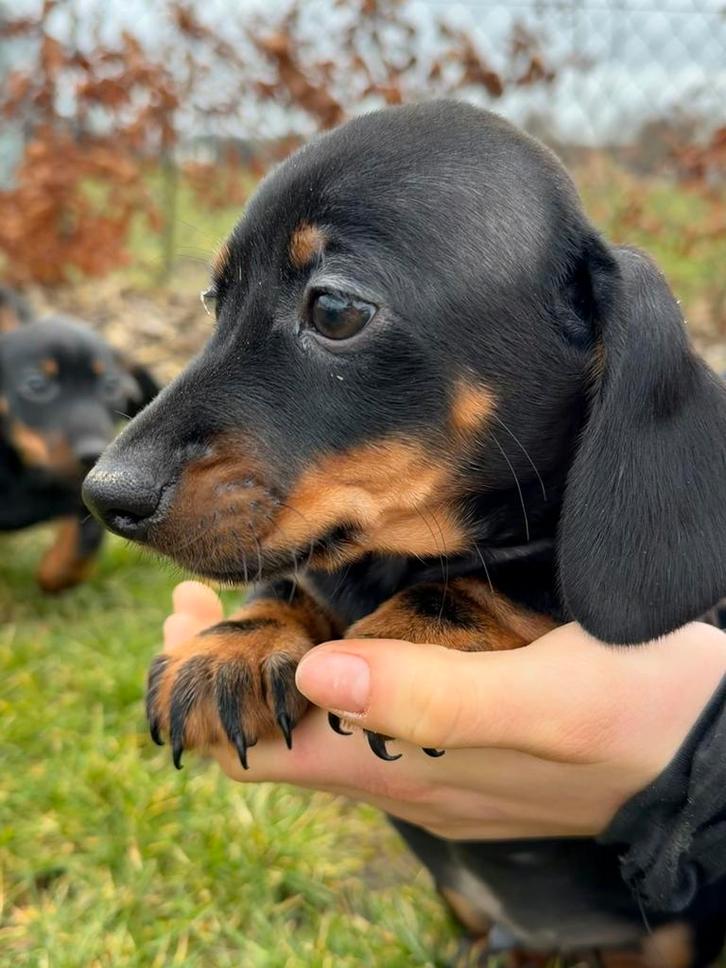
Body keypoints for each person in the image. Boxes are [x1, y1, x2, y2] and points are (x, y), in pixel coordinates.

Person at [163, 580, 726, 915]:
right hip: (470, 875)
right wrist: (274, 614)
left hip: (661, 903)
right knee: (477, 920)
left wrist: (702, 762)